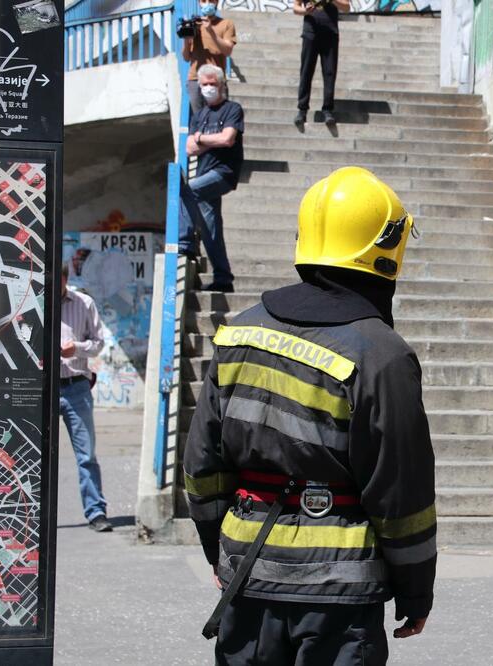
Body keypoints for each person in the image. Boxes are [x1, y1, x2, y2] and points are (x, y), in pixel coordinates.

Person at [184, 166, 436, 664]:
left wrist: (221, 549)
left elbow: (202, 466)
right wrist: (415, 590)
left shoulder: (239, 333)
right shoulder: (381, 355)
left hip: (247, 575)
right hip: (338, 596)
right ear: (386, 249)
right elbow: (401, 492)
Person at [178, 63, 244, 293]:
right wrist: (209, 140)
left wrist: (201, 139)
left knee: (187, 189)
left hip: (223, 172)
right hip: (205, 172)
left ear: (221, 84)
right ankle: (223, 277)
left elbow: (228, 139)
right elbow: (189, 148)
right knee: (210, 229)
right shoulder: (201, 115)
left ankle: (185, 242)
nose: (208, 88)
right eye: (204, 84)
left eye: (212, 84)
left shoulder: (232, 109)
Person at [59, 262, 111, 533]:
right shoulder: (33, 303)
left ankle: (96, 512)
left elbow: (98, 343)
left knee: (86, 454)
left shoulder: (84, 303)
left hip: (75, 386)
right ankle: (31, 514)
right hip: (41, 389)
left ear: (65, 278)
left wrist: (76, 348)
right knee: (33, 454)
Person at [293, 0, 350, 129]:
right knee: (306, 71)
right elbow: (296, 7)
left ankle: (327, 110)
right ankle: (302, 110)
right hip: (310, 32)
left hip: (330, 33)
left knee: (329, 72)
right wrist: (305, 11)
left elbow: (346, 7)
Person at [181, 0, 236, 116]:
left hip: (216, 79)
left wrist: (211, 31)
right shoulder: (194, 24)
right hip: (195, 79)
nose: (207, 3)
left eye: (211, 0)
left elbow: (228, 51)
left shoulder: (226, 24)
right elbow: (186, 57)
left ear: (216, 2)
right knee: (199, 117)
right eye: (203, 1)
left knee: (219, 116)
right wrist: (186, 39)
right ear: (199, 3)